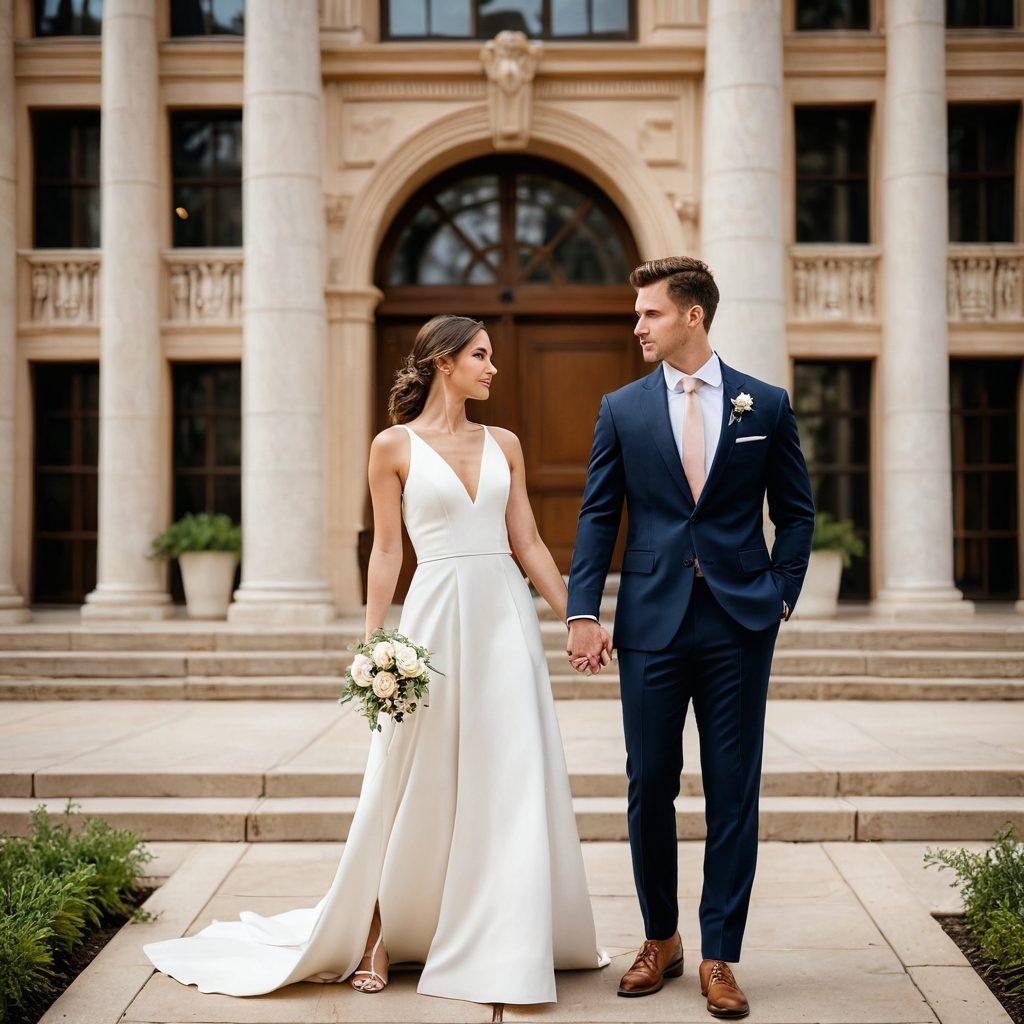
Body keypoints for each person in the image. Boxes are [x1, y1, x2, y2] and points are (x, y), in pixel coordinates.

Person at [143, 314, 609, 1006]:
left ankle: (507, 933)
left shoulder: (504, 442)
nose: (493, 368)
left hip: (502, 619)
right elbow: (388, 549)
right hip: (434, 617)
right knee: (407, 773)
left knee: (509, 768)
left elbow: (530, 542)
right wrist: (375, 641)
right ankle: (375, 933)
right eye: (482, 356)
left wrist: (578, 616)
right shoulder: (392, 446)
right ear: (445, 361)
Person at [565, 257, 815, 1019]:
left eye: (649, 313)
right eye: (637, 314)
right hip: (650, 622)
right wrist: (583, 609)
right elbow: (598, 514)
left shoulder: (763, 404)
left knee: (734, 791)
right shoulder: (623, 408)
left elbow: (797, 511)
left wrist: (781, 594)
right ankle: (660, 938)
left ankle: (719, 956)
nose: (636, 325)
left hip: (741, 620)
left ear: (692, 317)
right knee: (650, 787)